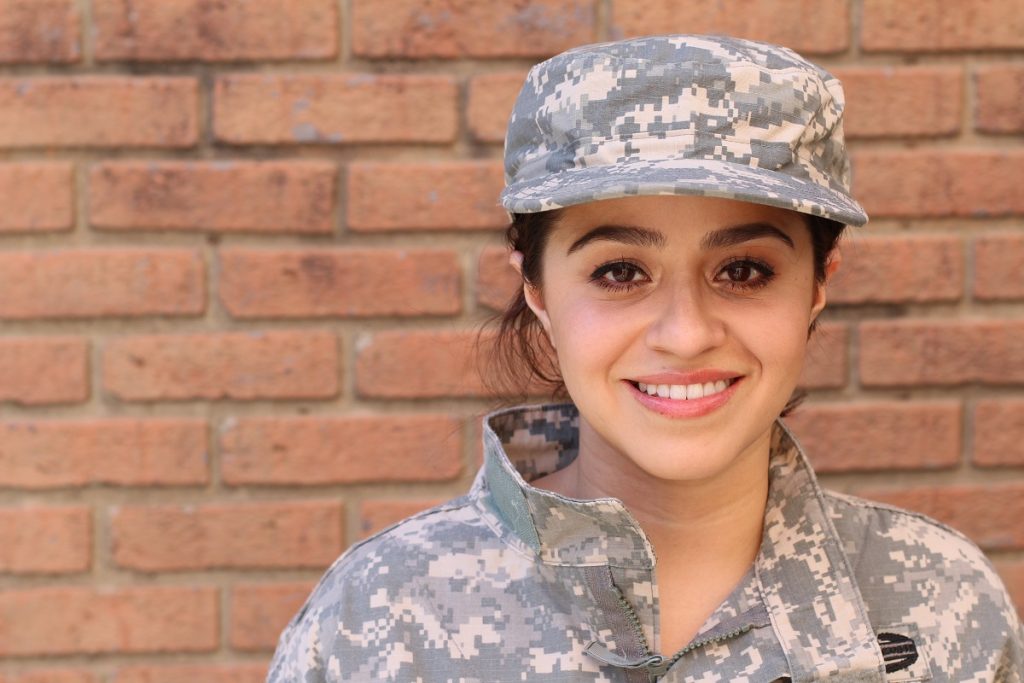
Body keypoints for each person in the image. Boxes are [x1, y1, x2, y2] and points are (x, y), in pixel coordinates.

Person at [267, 35, 1022, 682]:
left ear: (818, 284)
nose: (686, 333)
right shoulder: (381, 619)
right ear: (534, 286)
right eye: (620, 272)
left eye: (744, 271)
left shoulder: (938, 607)